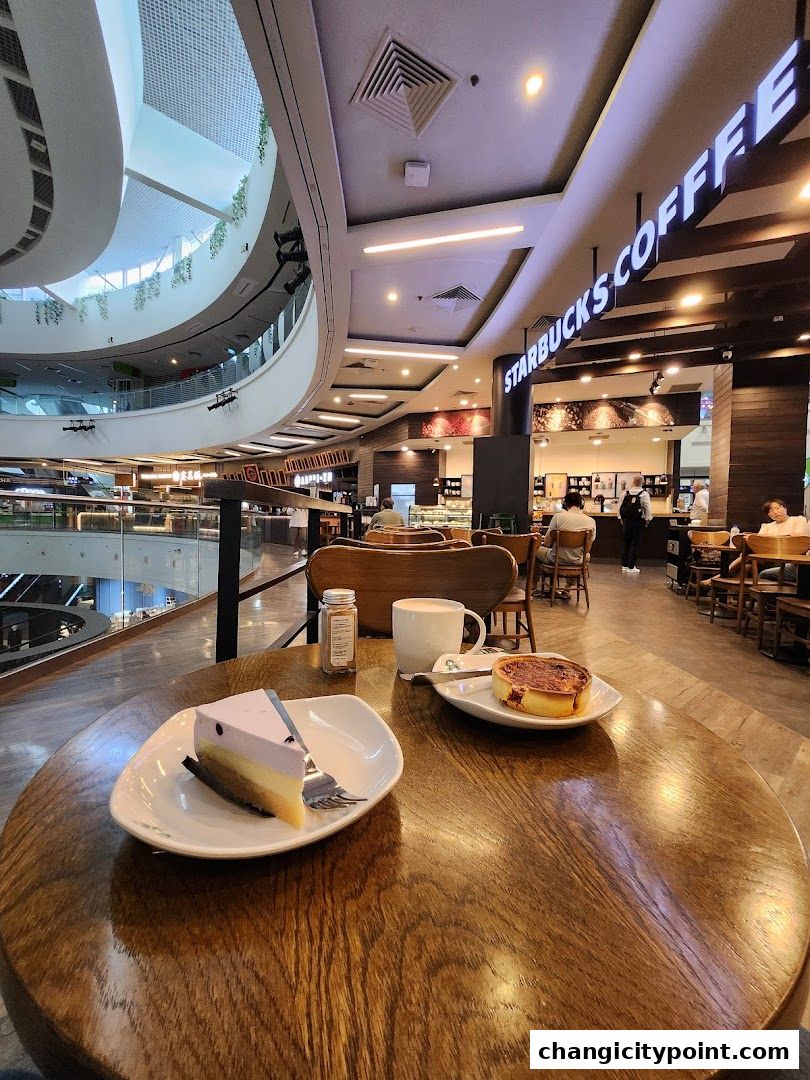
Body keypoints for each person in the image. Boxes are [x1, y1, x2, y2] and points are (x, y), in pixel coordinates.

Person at [534, 491, 596, 599]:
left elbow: (548, 543)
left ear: (565, 504)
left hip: (555, 559)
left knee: (534, 549)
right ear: (581, 504)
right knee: (586, 556)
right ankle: (568, 586)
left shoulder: (558, 517)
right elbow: (588, 548)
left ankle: (533, 585)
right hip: (577, 561)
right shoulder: (591, 521)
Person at [755, 499, 810, 584]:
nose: (775, 512)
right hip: (770, 559)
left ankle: (730, 571)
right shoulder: (767, 526)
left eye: (777, 508)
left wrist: (771, 537)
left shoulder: (798, 520)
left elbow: (800, 537)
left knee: (762, 573)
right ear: (768, 515)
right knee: (748, 565)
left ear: (785, 508)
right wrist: (786, 536)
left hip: (791, 560)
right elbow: (758, 541)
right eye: (770, 511)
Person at [618, 474, 651, 574]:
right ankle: (631, 566)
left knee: (626, 542)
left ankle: (624, 565)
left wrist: (621, 519)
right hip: (637, 521)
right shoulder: (644, 494)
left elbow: (620, 507)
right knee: (635, 543)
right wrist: (647, 519)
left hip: (626, 521)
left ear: (632, 482)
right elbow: (647, 508)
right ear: (642, 482)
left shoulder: (625, 493)